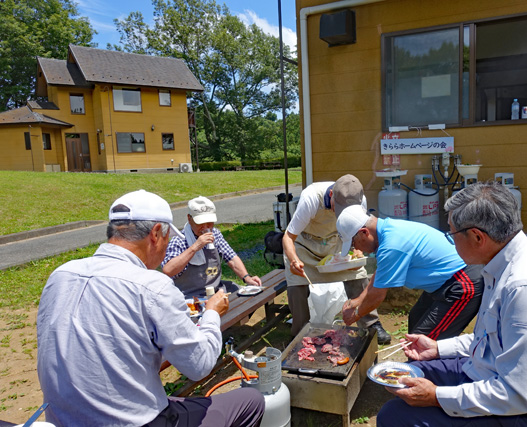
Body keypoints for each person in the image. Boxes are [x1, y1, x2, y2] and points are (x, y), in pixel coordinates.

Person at [37, 190, 265, 427]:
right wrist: (211, 314)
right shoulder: (152, 286)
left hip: (63, 420)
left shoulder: (60, 275)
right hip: (136, 422)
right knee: (250, 401)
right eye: (166, 238)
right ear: (156, 233)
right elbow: (200, 365)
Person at [377, 181, 527, 426]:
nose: (450, 242)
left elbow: (518, 395)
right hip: (491, 373)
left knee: (395, 417)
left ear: (477, 237)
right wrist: (438, 348)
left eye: (452, 234)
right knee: (409, 375)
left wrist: (436, 397)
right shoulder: (500, 263)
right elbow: (495, 339)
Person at [336, 205, 484, 339]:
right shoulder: (388, 230)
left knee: (423, 343)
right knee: (415, 320)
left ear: (364, 232)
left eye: (354, 243)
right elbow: (382, 274)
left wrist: (356, 315)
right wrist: (357, 301)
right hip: (445, 282)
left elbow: (377, 295)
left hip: (462, 282)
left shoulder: (391, 245)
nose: (356, 249)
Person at [282, 174, 391, 344]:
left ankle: (371, 324)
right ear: (331, 194)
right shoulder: (311, 197)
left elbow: (358, 232)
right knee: (296, 283)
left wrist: (357, 254)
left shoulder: (359, 200)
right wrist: (294, 259)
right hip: (305, 246)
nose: (338, 213)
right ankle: (300, 332)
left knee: (358, 276)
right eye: (337, 207)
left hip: (337, 242)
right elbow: (288, 237)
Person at [162, 196, 262, 298]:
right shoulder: (179, 240)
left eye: (209, 222)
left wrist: (246, 277)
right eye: (200, 222)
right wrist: (195, 247)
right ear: (189, 218)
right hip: (189, 295)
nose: (206, 227)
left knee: (247, 296)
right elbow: (168, 270)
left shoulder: (215, 234)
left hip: (216, 289)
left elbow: (231, 257)